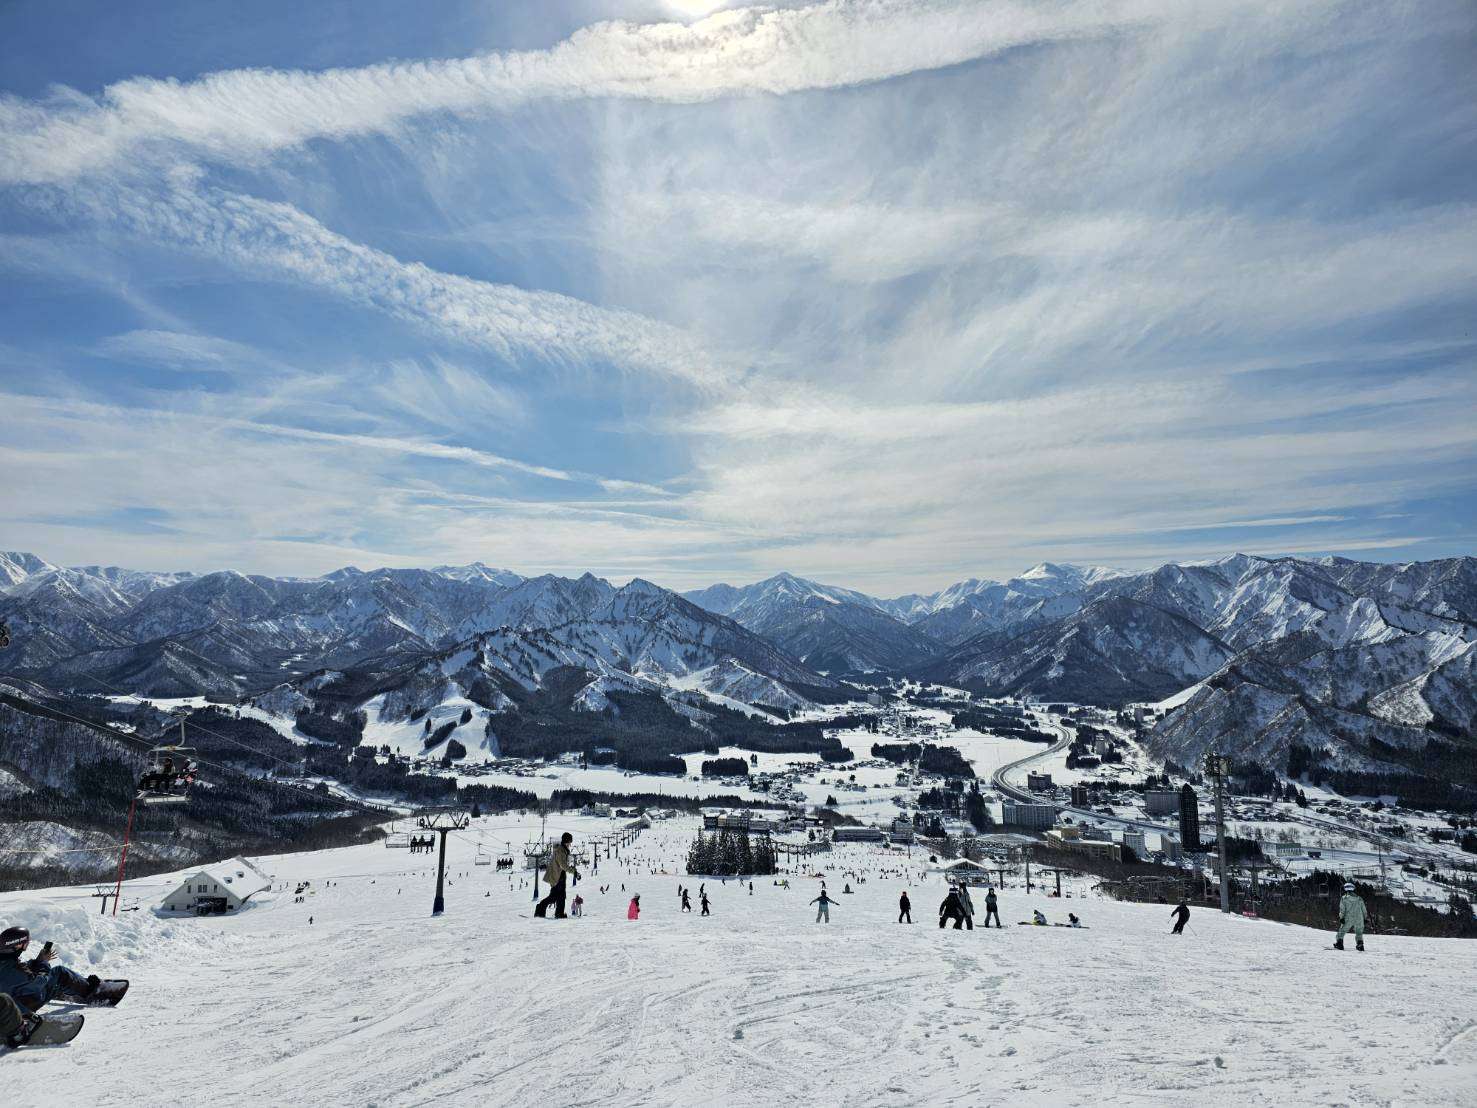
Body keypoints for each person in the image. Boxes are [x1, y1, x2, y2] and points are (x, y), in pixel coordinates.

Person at [0, 928, 100, 1012]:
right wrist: (43, 963)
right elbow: (40, 981)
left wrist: (37, 962)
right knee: (60, 973)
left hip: (5, 1004)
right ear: (16, 945)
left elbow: (18, 974)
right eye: (25, 944)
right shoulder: (16, 968)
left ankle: (66, 988)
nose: (25, 947)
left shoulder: (6, 961)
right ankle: (91, 991)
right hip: (17, 1009)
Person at [534, 832, 580, 919]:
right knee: (554, 897)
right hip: (556, 876)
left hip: (560, 875)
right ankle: (540, 908)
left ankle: (559, 913)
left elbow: (563, 865)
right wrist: (573, 871)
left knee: (561, 896)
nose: (570, 844)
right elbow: (563, 865)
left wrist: (573, 870)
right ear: (566, 841)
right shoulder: (560, 851)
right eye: (570, 842)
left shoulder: (563, 850)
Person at [1335, 883, 1366, 951]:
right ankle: (1360, 945)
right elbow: (1363, 909)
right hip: (1359, 917)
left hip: (1348, 917)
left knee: (1342, 930)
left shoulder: (1344, 898)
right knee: (1359, 932)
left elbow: (1342, 910)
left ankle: (1339, 944)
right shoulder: (1359, 898)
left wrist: (1341, 918)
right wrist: (1365, 918)